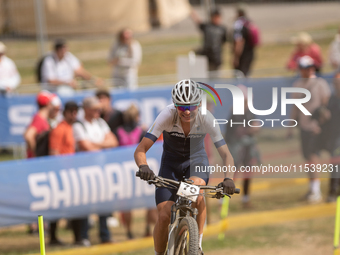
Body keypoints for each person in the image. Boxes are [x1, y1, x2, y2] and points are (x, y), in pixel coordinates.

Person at [134, 79, 235, 255]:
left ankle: (197, 245)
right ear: (175, 105)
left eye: (192, 106)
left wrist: (229, 179)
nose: (187, 111)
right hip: (170, 165)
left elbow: (226, 155)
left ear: (200, 104)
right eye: (181, 107)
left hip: (196, 162)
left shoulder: (207, 118)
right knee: (164, 216)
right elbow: (141, 149)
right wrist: (144, 167)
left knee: (197, 196)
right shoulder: (166, 115)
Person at [72, 96, 119, 246]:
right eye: (95, 108)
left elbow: (114, 141)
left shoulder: (101, 122)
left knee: (104, 202)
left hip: (101, 170)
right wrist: (103, 145)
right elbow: (86, 147)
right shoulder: (78, 125)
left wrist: (95, 144)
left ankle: (104, 234)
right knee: (86, 203)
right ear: (86, 109)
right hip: (85, 171)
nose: (99, 111)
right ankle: (83, 236)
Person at [289, 56, 331, 203]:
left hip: (316, 127)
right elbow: (295, 108)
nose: (309, 70)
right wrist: (291, 125)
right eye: (306, 68)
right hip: (304, 126)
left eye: (311, 67)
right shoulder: (297, 85)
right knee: (308, 157)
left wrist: (321, 125)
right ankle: (312, 188)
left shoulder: (320, 84)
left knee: (313, 157)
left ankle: (316, 190)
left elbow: (325, 106)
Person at [116, 104, 157, 239]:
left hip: (124, 171)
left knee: (127, 202)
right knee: (149, 199)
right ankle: (147, 226)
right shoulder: (142, 132)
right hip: (140, 168)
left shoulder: (119, 131)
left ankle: (129, 230)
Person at [224, 84, 261, 209]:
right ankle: (224, 201)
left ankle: (246, 199)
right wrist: (251, 129)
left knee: (247, 172)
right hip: (236, 149)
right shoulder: (236, 113)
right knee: (232, 174)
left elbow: (255, 126)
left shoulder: (248, 112)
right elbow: (238, 131)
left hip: (247, 149)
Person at [48, 101, 79, 245]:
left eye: (75, 111)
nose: (74, 114)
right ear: (65, 112)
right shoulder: (59, 129)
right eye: (71, 111)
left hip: (70, 172)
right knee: (57, 206)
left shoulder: (71, 128)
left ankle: (77, 237)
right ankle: (53, 237)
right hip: (61, 174)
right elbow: (53, 154)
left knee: (73, 205)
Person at [190, 9, 227, 73]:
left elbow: (224, 42)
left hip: (216, 59)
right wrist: (192, 12)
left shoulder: (222, 29)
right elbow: (198, 21)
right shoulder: (207, 27)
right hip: (206, 58)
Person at [232, 4, 259, 77]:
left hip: (242, 55)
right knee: (247, 75)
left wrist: (236, 57)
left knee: (240, 77)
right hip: (250, 53)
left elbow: (239, 41)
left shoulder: (238, 24)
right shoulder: (249, 22)